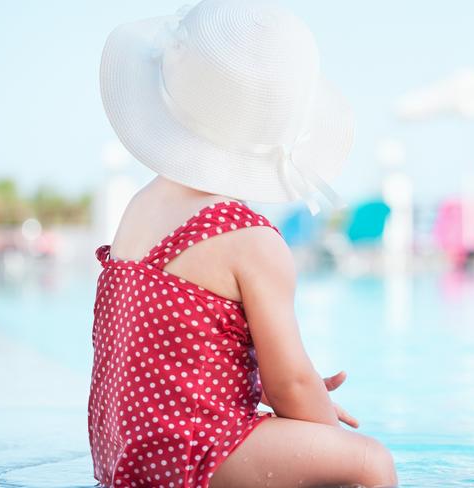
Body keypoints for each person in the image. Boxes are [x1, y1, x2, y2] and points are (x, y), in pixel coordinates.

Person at [88, 1, 398, 487]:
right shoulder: (248, 237)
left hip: (124, 453)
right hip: (190, 452)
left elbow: (180, 362)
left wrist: (298, 412)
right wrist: (317, 425)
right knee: (368, 463)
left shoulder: (140, 207)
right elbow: (289, 383)